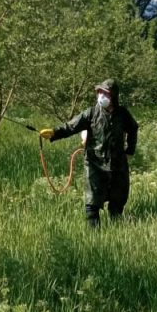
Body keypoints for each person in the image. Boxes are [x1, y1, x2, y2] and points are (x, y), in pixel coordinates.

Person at [40, 79, 138, 227]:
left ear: (113, 96)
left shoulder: (123, 114)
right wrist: (54, 133)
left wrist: (130, 150)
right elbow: (71, 126)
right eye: (99, 92)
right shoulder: (91, 113)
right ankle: (94, 234)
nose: (101, 96)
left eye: (105, 93)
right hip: (94, 163)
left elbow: (133, 128)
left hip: (118, 163)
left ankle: (117, 230)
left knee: (117, 202)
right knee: (92, 203)